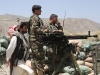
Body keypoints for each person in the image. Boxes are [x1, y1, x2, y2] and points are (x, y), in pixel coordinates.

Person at [29, 5, 47, 75]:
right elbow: (35, 28)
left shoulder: (35, 18)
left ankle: (34, 73)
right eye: (40, 10)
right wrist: (44, 31)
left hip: (35, 41)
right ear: (36, 10)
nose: (41, 11)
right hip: (36, 41)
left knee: (34, 58)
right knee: (40, 57)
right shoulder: (34, 18)